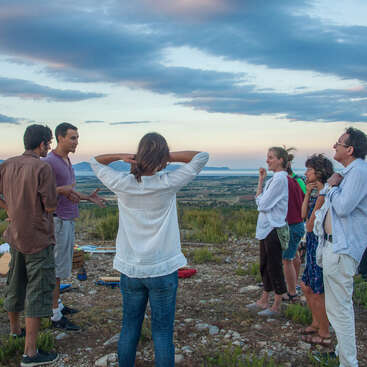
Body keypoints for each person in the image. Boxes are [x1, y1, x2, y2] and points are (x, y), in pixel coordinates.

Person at [91, 132, 209, 367]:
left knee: (129, 327)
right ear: (161, 159)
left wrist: (124, 157)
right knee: (163, 331)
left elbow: (95, 161)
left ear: (138, 155)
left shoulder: (122, 184)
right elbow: (201, 157)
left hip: (131, 268)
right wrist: (164, 157)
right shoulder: (168, 182)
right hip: (163, 268)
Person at [0, 125, 59, 366]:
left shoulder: (7, 164)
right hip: (37, 238)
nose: (50, 147)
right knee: (37, 290)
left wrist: (11, 210)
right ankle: (31, 352)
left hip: (15, 235)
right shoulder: (42, 167)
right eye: (50, 143)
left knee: (15, 282)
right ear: (43, 143)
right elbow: (51, 206)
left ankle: (15, 330)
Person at [43, 122, 106, 331]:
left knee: (61, 267)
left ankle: (57, 305)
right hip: (58, 219)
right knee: (56, 269)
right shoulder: (50, 162)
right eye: (72, 138)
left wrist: (88, 197)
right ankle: (54, 315)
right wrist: (61, 191)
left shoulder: (66, 160)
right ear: (60, 138)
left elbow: (69, 190)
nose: (76, 141)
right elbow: (45, 190)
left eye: (77, 138)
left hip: (67, 218)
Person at [313, 127, 367, 367]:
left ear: (350, 149)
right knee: (336, 308)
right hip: (333, 247)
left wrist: (332, 187)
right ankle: (341, 353)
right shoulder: (349, 171)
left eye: (338, 143)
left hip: (342, 250)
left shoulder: (358, 172)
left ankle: (349, 362)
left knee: (340, 310)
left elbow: (343, 207)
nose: (334, 146)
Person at [247, 147, 288, 316]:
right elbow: (261, 202)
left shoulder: (280, 180)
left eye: (271, 157)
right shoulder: (274, 179)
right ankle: (264, 300)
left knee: (274, 266)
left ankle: (276, 306)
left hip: (273, 228)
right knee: (265, 265)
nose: (267, 160)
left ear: (280, 160)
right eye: (267, 157)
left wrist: (260, 199)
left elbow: (262, 204)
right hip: (266, 228)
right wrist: (261, 180)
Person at [300, 154, 333, 347]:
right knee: (306, 286)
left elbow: (310, 225)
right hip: (312, 243)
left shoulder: (325, 193)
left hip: (318, 245)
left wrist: (318, 196)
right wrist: (306, 193)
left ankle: (324, 332)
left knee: (317, 289)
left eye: (309, 170)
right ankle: (316, 322)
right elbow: (303, 215)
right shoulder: (316, 193)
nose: (306, 173)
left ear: (318, 172)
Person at [282, 149, 305, 301]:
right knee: (294, 254)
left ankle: (291, 288)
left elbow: (304, 201)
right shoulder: (297, 180)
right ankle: (293, 283)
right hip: (296, 222)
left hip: (293, 222)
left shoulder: (294, 181)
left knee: (288, 258)